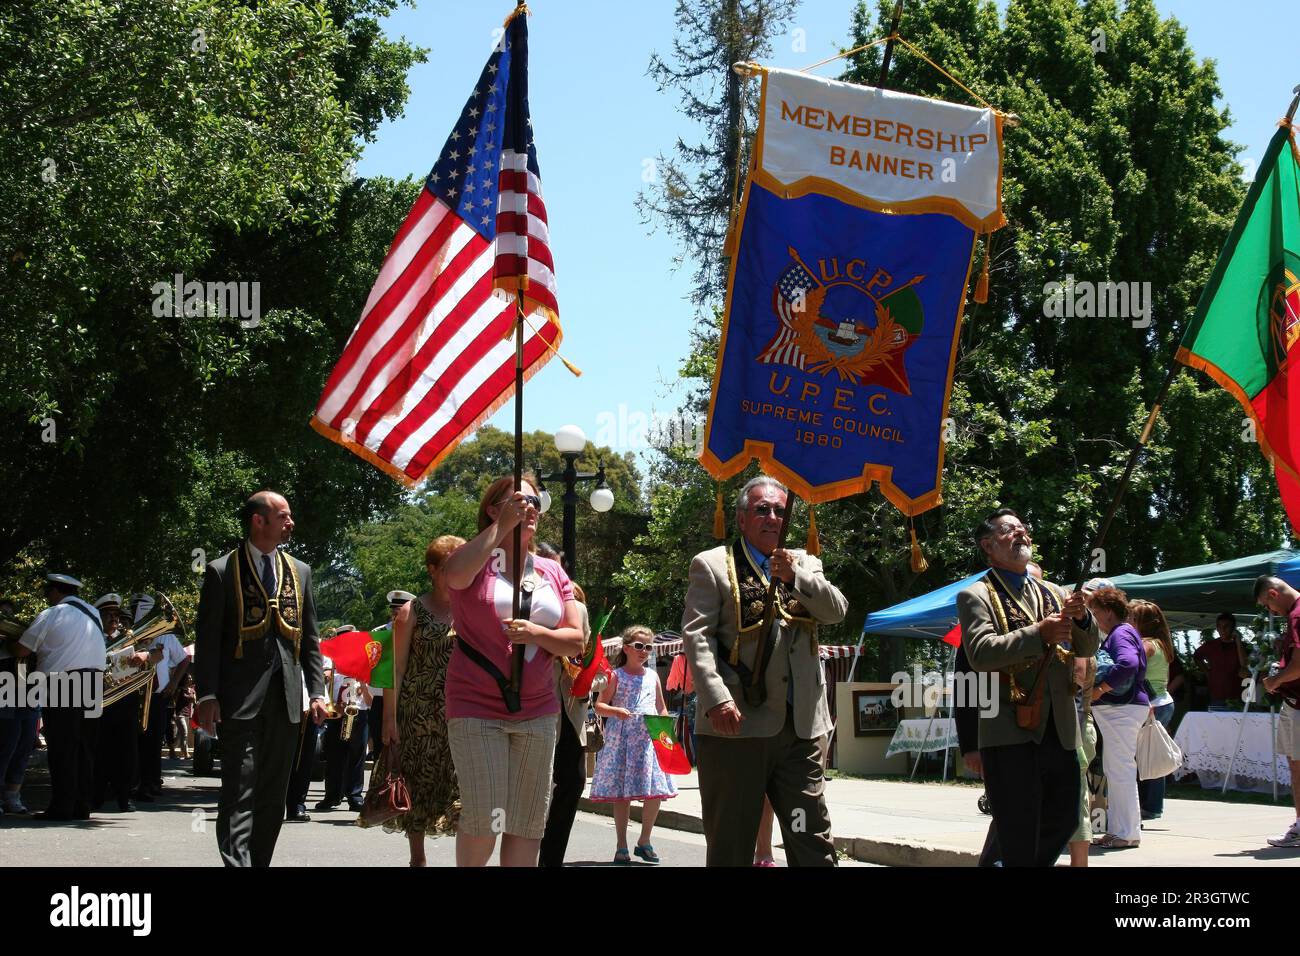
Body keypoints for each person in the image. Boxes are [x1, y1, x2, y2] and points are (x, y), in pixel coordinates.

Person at [682, 475, 847, 867]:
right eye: (762, 509)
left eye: (780, 510)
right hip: (736, 726)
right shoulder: (712, 565)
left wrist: (797, 577)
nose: (772, 517)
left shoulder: (805, 562)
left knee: (813, 841)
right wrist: (716, 697)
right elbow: (697, 637)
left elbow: (836, 611)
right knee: (730, 844)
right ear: (741, 519)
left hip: (802, 729)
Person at [443, 475, 584, 867]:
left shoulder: (551, 572)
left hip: (539, 710)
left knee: (526, 822)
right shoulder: (474, 561)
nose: (531, 508)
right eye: (519, 501)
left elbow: (575, 640)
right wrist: (501, 528)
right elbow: (453, 576)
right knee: (486, 817)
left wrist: (537, 632)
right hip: (477, 707)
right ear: (493, 508)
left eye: (535, 502)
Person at [194, 490, 328, 867]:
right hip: (238, 701)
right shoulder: (222, 570)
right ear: (259, 520)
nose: (290, 522)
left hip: (286, 701)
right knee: (239, 790)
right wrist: (207, 695)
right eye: (283, 516)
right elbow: (208, 640)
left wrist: (316, 692)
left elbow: (311, 640)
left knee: (272, 795)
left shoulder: (300, 571)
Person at [958, 509, 1098, 867]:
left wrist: (1082, 619)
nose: (1021, 534)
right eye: (1009, 530)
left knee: (1064, 818)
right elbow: (980, 653)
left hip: (1060, 729)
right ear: (987, 545)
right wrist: (1039, 634)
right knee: (1017, 826)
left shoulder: (1054, 591)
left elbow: (1087, 646)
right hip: (1009, 730)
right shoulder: (976, 595)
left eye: (1023, 528)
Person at [373, 537, 464, 865]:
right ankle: (418, 859)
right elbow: (394, 668)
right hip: (417, 713)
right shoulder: (412, 611)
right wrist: (389, 718)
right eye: (450, 566)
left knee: (460, 788)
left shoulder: (471, 609)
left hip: (461, 711)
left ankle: (466, 859)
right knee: (418, 783)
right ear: (433, 570)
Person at [12, 573, 107, 821]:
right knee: (84, 747)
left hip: (64, 682)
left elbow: (22, 649)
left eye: (48, 592)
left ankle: (62, 807)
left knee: (63, 747)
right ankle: (81, 805)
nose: (48, 597)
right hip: (92, 682)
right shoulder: (93, 613)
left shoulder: (53, 613)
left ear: (56, 591)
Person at [590, 625, 677, 863]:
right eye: (639, 646)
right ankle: (621, 845)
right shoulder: (616, 675)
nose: (644, 651)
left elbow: (661, 707)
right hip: (623, 741)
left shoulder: (652, 676)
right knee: (622, 795)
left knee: (655, 792)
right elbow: (599, 706)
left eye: (648, 647)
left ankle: (644, 840)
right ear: (626, 648)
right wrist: (616, 711)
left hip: (649, 741)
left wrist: (666, 730)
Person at [1086, 586, 1149, 849]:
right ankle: (1120, 830)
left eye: (1096, 612)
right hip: (1125, 709)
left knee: (1120, 769)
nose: (1095, 618)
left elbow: (1128, 664)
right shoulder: (1124, 631)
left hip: (1121, 710)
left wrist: (1100, 689)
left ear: (1109, 612)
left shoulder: (1120, 633)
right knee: (1117, 768)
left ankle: (1127, 833)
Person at [539, 570, 592, 868]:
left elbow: (582, 658)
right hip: (535, 709)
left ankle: (550, 860)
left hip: (571, 712)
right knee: (536, 790)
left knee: (572, 783)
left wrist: (589, 680)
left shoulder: (579, 610)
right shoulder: (527, 607)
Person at [92, 593, 154, 812]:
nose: (114, 619)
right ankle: (96, 795)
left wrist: (145, 655)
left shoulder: (128, 637)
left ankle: (124, 796)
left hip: (125, 700)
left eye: (116, 615)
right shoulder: (93, 637)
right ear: (99, 616)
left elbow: (154, 655)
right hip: (100, 700)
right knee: (99, 750)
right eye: (108, 615)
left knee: (127, 751)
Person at [1254, 575, 1300, 847]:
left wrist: (1275, 680)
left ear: (1273, 594)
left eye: (1267, 605)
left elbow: (1298, 666)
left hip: (1298, 704)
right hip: (1294, 702)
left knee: (1297, 765)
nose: (1270, 612)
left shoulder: (1296, 616)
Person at [133, 593, 190, 801]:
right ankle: (135, 782)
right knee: (135, 741)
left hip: (157, 696)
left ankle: (151, 782)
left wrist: (174, 684)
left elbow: (184, 660)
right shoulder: (130, 635)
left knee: (153, 741)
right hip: (134, 695)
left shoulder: (165, 636)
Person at [1131, 600, 1175, 820]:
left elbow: (1133, 671)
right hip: (1162, 701)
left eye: (1132, 618)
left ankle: (1146, 805)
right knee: (1154, 754)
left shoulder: (1145, 645)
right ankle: (1153, 806)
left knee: (1143, 757)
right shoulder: (1161, 643)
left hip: (1151, 704)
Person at [317, 636, 371, 813]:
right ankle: (332, 795)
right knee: (334, 756)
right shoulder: (332, 662)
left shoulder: (363, 660)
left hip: (358, 711)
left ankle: (355, 796)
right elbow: (325, 686)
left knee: (357, 755)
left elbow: (368, 693)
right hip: (337, 713)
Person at [0, 596, 39, 816]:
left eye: (8, 615)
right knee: (6, 745)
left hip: (27, 696)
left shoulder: (19, 641)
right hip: (4, 697)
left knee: (24, 747)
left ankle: (13, 795)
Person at [368, 590, 415, 763]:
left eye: (400, 609)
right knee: (381, 753)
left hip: (407, 696)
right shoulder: (380, 633)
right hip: (381, 698)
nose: (396, 613)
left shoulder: (416, 631)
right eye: (394, 610)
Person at [1194, 612, 1249, 711]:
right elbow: (1197, 657)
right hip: (1217, 694)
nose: (1222, 630)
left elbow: (1245, 665)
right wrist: (1207, 672)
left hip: (1237, 695)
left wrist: (1238, 642)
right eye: (1219, 626)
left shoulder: (1242, 646)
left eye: (1226, 626)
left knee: (1237, 725)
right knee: (1216, 724)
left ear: (1233, 627)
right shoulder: (1211, 645)